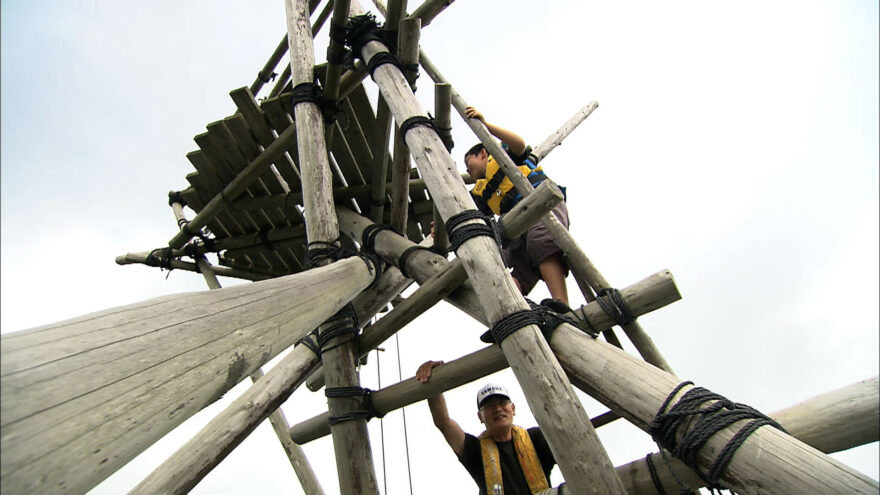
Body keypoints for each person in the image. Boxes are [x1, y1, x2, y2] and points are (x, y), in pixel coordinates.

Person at [461, 106, 570, 305]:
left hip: (540, 205)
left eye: (470, 162)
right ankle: (514, 310)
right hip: (515, 226)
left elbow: (519, 143)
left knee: (541, 242)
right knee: (502, 262)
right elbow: (464, 212)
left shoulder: (501, 155)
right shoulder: (480, 192)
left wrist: (486, 126)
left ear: (484, 154)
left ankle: (561, 303)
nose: (467, 168)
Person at [416, 360, 561, 495]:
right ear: (481, 417)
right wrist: (433, 382)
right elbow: (443, 422)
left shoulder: (535, 438)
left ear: (513, 408)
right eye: (490, 406)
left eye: (502, 403)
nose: (498, 409)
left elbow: (570, 446)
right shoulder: (475, 450)